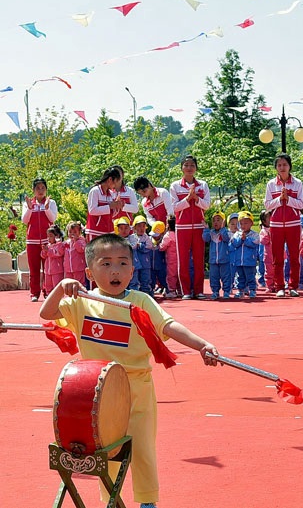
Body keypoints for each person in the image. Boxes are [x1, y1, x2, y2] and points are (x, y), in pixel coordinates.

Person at [39, 234, 220, 508]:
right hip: (98, 396)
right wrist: (62, 287)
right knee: (105, 452)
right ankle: (111, 500)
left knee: (143, 450)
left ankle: (148, 502)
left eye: (123, 264)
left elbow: (168, 326)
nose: (116, 271)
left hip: (137, 391)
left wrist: (202, 345)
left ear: (133, 270)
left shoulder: (141, 301)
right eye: (107, 263)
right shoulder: (81, 303)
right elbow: (46, 313)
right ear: (89, 272)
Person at [169, 155, 211, 299]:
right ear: (181, 168)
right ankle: (186, 290)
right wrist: (188, 199)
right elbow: (174, 208)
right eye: (186, 165)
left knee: (199, 259)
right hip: (182, 227)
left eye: (192, 165)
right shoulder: (175, 186)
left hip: (199, 226)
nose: (189, 168)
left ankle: (199, 290)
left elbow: (207, 205)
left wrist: (196, 198)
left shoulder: (203, 185)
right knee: (183, 260)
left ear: (196, 168)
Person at [265, 153, 303, 298]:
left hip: (293, 223)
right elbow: (267, 205)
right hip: (276, 225)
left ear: (290, 166)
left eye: (285, 165)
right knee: (277, 257)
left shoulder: (297, 183)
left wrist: (288, 199)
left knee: (294, 256)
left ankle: (293, 286)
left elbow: (301, 204)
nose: (282, 168)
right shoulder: (271, 184)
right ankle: (279, 286)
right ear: (276, 168)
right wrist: (279, 199)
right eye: (279, 165)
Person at [22, 177, 58, 301]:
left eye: (43, 188)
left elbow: (52, 219)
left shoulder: (51, 203)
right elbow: (24, 220)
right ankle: (34, 293)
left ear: (46, 189)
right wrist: (30, 208)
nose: (40, 191)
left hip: (47, 241)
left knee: (48, 268)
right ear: (33, 190)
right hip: (32, 241)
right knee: (34, 269)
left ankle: (47, 291)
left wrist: (47, 208)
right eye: (38, 188)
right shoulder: (28, 203)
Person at [87, 167, 123, 241]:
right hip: (95, 231)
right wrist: (110, 206)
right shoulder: (95, 191)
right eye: (115, 182)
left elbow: (112, 214)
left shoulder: (111, 194)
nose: (116, 185)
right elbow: (92, 210)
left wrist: (117, 207)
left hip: (109, 231)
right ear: (110, 179)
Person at [230, 211, 260, 299]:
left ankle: (252, 290)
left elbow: (254, 244)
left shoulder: (254, 234)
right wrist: (240, 239)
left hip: (250, 261)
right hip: (239, 261)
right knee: (240, 277)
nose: (243, 225)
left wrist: (245, 240)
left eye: (246, 223)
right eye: (241, 223)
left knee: (250, 276)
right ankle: (240, 291)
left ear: (251, 223)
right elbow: (235, 244)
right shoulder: (237, 234)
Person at [203, 211, 232, 300]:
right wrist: (206, 229)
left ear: (223, 222)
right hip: (213, 260)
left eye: (218, 220)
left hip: (224, 260)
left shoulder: (226, 232)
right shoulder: (211, 233)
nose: (215, 222)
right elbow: (205, 238)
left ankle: (226, 291)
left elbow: (226, 238)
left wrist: (223, 229)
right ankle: (215, 291)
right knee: (213, 277)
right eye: (214, 220)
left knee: (226, 276)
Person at [131, 216, 155, 297]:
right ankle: (137, 296)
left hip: (145, 264)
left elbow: (149, 246)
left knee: (146, 279)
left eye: (143, 226)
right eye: (139, 226)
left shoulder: (146, 237)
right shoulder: (132, 237)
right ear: (134, 228)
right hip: (136, 264)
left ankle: (147, 294)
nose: (141, 228)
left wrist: (140, 245)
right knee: (135, 280)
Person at [41, 225, 65, 295]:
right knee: (48, 287)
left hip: (57, 271)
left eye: (51, 236)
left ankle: (58, 301)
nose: (48, 238)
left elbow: (58, 253)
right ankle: (49, 299)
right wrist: (44, 251)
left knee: (57, 287)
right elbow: (43, 256)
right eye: (47, 236)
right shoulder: (48, 245)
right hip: (48, 271)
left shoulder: (60, 245)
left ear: (57, 236)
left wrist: (48, 250)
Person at [158, 217, 179, 299]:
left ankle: (172, 291)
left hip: (171, 259)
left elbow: (162, 247)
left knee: (171, 275)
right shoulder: (178, 233)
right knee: (178, 274)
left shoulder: (168, 235)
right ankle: (180, 290)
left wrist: (158, 245)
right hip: (179, 258)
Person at [63, 222, 87, 286]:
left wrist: (76, 241)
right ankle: (71, 296)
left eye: (75, 232)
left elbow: (81, 249)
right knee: (69, 285)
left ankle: (79, 295)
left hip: (79, 269)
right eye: (70, 232)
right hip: (68, 269)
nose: (72, 234)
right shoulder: (67, 243)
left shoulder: (81, 241)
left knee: (79, 285)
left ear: (79, 233)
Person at [258, 210, 274, 293]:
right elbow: (263, 241)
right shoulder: (263, 231)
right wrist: (269, 235)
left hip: (279, 254)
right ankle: (270, 286)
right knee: (269, 272)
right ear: (264, 221)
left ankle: (279, 285)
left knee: (279, 271)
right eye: (270, 217)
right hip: (268, 255)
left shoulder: (277, 228)